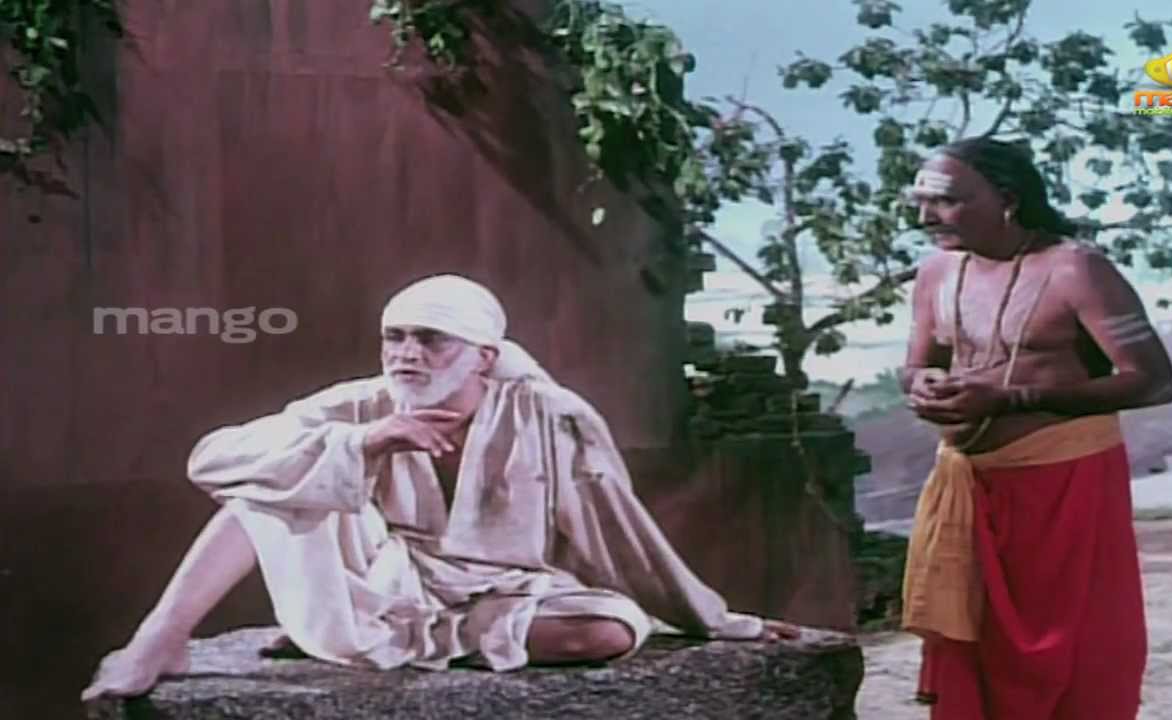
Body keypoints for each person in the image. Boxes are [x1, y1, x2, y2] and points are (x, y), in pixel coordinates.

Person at [82, 274, 797, 701]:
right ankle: (162, 638)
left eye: (430, 339)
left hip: (502, 594)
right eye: (395, 337)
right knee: (272, 480)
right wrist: (365, 442)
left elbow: (619, 531)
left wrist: (717, 621)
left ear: (483, 356)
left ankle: (361, 640)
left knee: (605, 633)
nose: (406, 355)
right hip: (387, 582)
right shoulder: (361, 404)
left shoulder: (552, 415)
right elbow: (214, 461)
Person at [897, 137, 1172, 719]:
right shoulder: (936, 272)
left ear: (1007, 198)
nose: (925, 218)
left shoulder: (1076, 269)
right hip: (971, 481)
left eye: (945, 201)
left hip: (1064, 485)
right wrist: (922, 383)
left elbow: (1154, 382)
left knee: (1073, 649)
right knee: (980, 650)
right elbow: (916, 364)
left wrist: (1011, 400)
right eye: (920, 202)